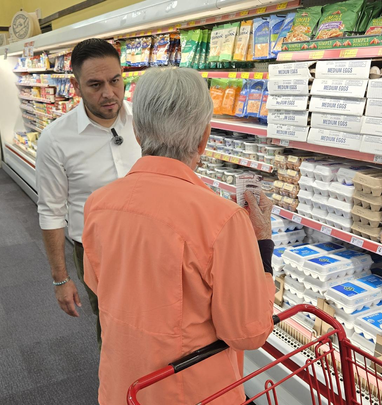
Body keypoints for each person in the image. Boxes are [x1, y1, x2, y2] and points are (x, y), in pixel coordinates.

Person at [82, 67, 276, 405]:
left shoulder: (98, 204)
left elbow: (99, 284)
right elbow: (248, 331)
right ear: (205, 136)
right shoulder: (222, 219)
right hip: (195, 392)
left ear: (138, 133)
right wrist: (261, 244)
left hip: (123, 388)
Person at [36, 38, 141, 346]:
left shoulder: (145, 120)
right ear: (76, 85)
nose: (109, 93)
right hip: (98, 252)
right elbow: (51, 211)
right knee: (111, 325)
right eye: (95, 84)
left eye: (115, 80)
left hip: (150, 242)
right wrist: (61, 277)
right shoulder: (55, 139)